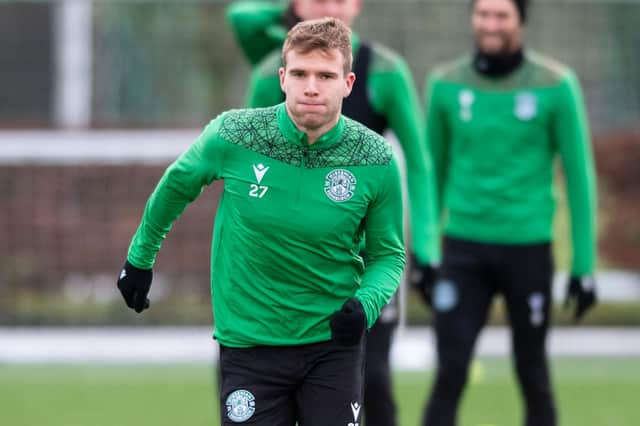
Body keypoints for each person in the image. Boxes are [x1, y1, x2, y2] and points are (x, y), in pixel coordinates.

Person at [116, 17, 406, 425]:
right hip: (249, 347)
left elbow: (388, 256)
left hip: (331, 347)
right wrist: (139, 259)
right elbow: (175, 187)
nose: (311, 87)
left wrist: (365, 306)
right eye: (301, 74)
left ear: (348, 83)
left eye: (325, 75)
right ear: (283, 78)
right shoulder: (235, 135)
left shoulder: (376, 158)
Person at [227, 2, 440, 424]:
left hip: (363, 264)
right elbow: (243, 169)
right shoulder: (271, 70)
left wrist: (428, 249)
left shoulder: (386, 70)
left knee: (374, 381)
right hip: (286, 268)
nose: (328, 6)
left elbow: (418, 162)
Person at [410, 1, 598, 425]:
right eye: (482, 14)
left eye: (500, 15)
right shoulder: (444, 84)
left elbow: (580, 176)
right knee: (450, 371)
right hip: (462, 249)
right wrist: (423, 248)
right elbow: (430, 174)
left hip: (528, 248)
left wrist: (583, 266)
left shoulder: (555, 85)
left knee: (532, 372)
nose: (490, 24)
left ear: (520, 20)